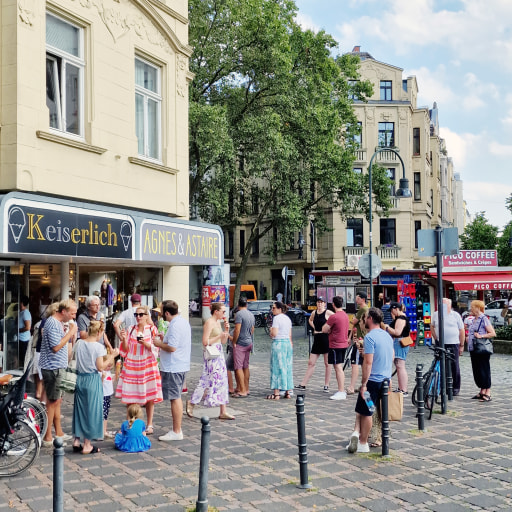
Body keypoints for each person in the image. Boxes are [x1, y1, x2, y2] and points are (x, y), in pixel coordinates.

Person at [347, 307, 393, 453]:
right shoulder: (387, 336)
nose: (364, 320)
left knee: (366, 411)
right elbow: (390, 357)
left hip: (372, 381)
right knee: (375, 411)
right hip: (385, 380)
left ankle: (363, 442)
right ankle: (370, 438)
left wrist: (364, 384)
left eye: (366, 317)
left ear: (370, 319)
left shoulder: (370, 337)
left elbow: (368, 362)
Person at [72, 321, 119, 454]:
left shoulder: (79, 343)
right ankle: (87, 444)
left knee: (79, 409)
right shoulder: (98, 347)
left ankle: (76, 440)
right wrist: (112, 356)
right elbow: (100, 367)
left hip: (80, 378)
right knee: (92, 411)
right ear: (99, 333)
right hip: (92, 379)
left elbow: (73, 357)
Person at [115, 305, 163, 434]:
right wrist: (124, 339)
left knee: (149, 397)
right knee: (130, 396)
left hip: (147, 363)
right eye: (136, 315)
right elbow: (125, 349)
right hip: (132, 363)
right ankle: (129, 423)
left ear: (147, 316)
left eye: (141, 314)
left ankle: (149, 424)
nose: (138, 317)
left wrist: (145, 343)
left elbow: (156, 349)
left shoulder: (152, 329)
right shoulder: (130, 329)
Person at [39, 299, 78, 447]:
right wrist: (71, 333)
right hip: (53, 368)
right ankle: (47, 436)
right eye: (72, 313)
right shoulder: (53, 323)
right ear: (64, 311)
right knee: (52, 402)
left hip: (58, 367)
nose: (74, 316)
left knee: (57, 401)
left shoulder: (58, 323)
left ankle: (59, 432)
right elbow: (55, 347)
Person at [187, 303, 234, 420]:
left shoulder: (218, 322)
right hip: (211, 354)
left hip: (219, 353)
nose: (224, 314)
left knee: (222, 380)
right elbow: (205, 341)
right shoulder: (209, 322)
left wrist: (226, 331)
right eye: (223, 311)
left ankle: (223, 410)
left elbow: (223, 341)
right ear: (216, 311)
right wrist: (219, 337)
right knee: (207, 380)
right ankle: (192, 402)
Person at [153, 300, 191, 441]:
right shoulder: (182, 322)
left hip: (173, 366)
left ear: (167, 313)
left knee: (175, 397)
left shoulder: (175, 325)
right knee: (176, 396)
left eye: (162, 311)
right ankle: (176, 430)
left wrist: (159, 344)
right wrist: (165, 339)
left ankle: (176, 430)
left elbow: (173, 348)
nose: (161, 314)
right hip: (179, 365)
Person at [295, 297, 332, 392]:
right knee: (311, 362)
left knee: (327, 363)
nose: (320, 304)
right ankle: (303, 384)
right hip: (317, 338)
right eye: (318, 302)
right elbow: (310, 320)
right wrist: (314, 327)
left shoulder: (328, 312)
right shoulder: (314, 313)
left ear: (324, 304)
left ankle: (326, 384)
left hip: (325, 338)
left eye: (321, 302)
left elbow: (336, 319)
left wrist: (329, 329)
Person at [431, 298, 465, 396]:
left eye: (446, 305)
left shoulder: (455, 315)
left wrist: (461, 345)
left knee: (454, 365)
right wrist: (436, 337)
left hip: (453, 343)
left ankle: (455, 387)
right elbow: (432, 326)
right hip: (440, 343)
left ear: (450, 306)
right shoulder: (436, 314)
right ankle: (442, 386)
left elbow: (461, 330)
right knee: (440, 365)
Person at [467, 300, 495, 402]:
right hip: (473, 348)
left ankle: (488, 392)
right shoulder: (474, 319)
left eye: (472, 307)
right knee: (477, 370)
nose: (471, 309)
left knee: (484, 370)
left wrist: (481, 335)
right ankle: (482, 391)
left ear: (477, 308)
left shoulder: (484, 319)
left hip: (482, 349)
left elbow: (492, 333)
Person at [322, 295, 350, 400]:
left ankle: (341, 390)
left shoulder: (334, 317)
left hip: (335, 344)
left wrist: (329, 329)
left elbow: (324, 329)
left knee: (338, 367)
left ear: (333, 304)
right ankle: (341, 389)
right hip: (343, 343)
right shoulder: (345, 315)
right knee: (339, 366)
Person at [266, 301, 293, 400]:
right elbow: (290, 334)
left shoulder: (276, 318)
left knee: (276, 367)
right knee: (287, 367)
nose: (272, 310)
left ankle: (276, 392)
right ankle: (287, 391)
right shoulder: (288, 319)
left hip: (278, 343)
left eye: (273, 308)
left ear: (279, 309)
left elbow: (275, 333)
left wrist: (270, 330)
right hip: (287, 343)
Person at [384, 302, 411, 397]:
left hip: (400, 342)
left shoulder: (400, 319)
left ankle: (403, 389)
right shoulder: (403, 317)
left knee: (400, 365)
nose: (391, 313)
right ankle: (401, 388)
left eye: (392, 310)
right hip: (402, 342)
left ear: (396, 309)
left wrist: (386, 327)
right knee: (399, 365)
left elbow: (397, 332)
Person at [232, 297, 255, 397]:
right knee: (246, 366)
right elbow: (252, 329)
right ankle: (247, 388)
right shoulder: (251, 314)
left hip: (240, 343)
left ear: (238, 304)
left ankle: (242, 390)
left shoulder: (239, 314)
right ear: (247, 304)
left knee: (238, 367)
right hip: (249, 342)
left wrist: (234, 341)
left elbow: (237, 329)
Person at [346, 292, 369, 394]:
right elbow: (355, 326)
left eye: (358, 298)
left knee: (355, 363)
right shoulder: (365, 309)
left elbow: (354, 322)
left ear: (362, 299)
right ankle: (364, 385)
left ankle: (351, 386)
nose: (356, 299)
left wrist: (350, 319)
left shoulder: (363, 309)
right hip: (359, 337)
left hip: (360, 339)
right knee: (364, 363)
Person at [18, 295, 32, 368]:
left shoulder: (25, 313)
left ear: (22, 303)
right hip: (20, 338)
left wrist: (17, 330)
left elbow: (28, 327)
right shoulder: (21, 312)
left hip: (24, 339)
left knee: (24, 358)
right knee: (20, 357)